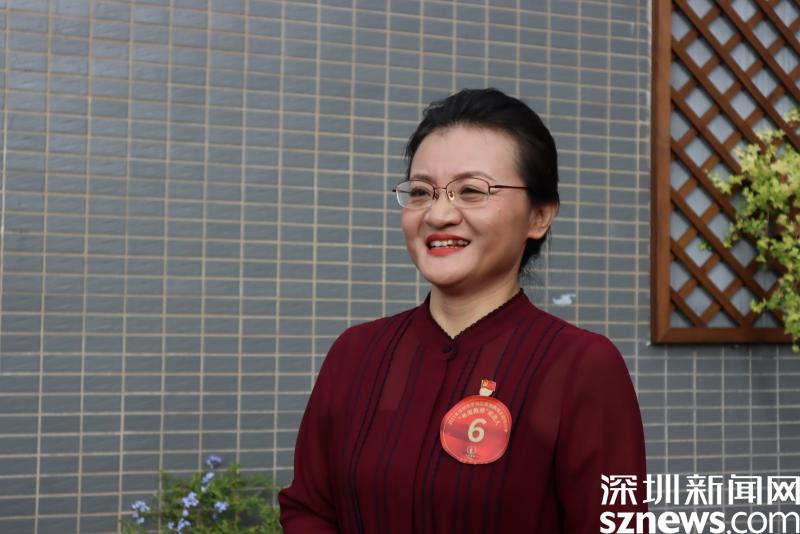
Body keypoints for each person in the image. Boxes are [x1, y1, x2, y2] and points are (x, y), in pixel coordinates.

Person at [278, 88, 647, 533]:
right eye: (421, 192)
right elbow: (309, 509)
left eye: (470, 191)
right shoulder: (356, 353)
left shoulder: (581, 366)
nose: (438, 215)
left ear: (539, 216)